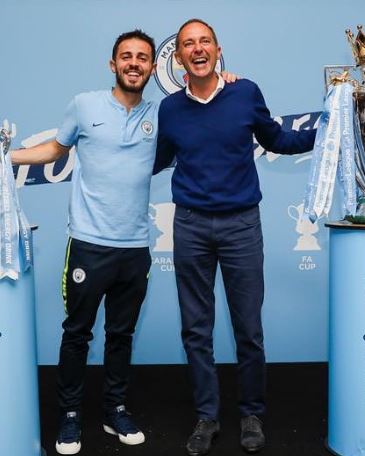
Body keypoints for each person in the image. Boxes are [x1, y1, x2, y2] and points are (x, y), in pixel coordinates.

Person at [153, 18, 316, 456]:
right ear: (179, 56)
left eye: (205, 41)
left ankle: (251, 414)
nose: (198, 49)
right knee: (196, 329)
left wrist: (330, 133)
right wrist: (104, 155)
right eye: (189, 44)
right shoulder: (169, 110)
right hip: (188, 225)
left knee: (249, 329)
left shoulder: (245, 92)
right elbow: (153, 161)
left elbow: (277, 138)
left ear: (218, 49)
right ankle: (207, 417)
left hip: (241, 225)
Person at [11, 30, 158, 455]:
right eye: (126, 56)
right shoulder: (85, 104)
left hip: (135, 248)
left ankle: (115, 409)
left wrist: (228, 82)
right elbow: (55, 149)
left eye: (142, 57)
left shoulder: (160, 114)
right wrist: (7, 155)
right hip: (89, 245)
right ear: (113, 64)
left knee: (121, 333)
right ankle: (71, 416)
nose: (134, 63)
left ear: (151, 67)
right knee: (77, 333)